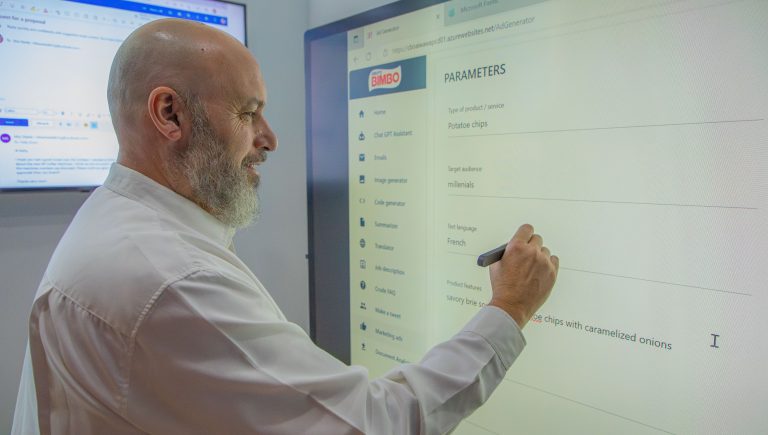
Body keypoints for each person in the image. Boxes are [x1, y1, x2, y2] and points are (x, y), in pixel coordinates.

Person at [12, 19, 559, 435]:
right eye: (248, 113)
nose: (269, 138)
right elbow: (371, 422)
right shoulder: (170, 281)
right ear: (169, 114)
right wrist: (508, 310)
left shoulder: (119, 222)